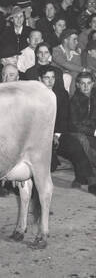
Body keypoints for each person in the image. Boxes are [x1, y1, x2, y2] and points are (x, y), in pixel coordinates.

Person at [39, 66, 96, 195]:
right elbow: (74, 124)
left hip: (59, 134)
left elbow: (63, 119)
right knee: (80, 140)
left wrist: (57, 135)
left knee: (75, 144)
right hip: (42, 135)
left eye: (53, 77)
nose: (50, 81)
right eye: (46, 78)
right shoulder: (35, 95)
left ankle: (87, 179)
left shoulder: (61, 94)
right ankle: (87, 178)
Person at [53, 29, 90, 95]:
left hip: (70, 86)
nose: (77, 42)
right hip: (55, 83)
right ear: (65, 40)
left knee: (78, 75)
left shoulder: (75, 55)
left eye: (77, 40)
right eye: (74, 39)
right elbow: (64, 63)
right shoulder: (55, 50)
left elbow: (76, 71)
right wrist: (83, 69)